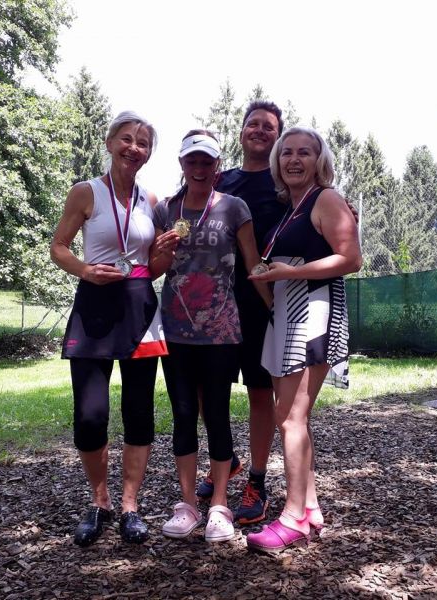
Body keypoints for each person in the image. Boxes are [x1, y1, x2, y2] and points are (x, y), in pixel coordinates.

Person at [50, 111, 166, 546]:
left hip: (139, 308)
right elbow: (58, 247)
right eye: (127, 139)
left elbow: (153, 266)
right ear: (110, 142)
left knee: (139, 411)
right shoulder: (86, 192)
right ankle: (99, 502)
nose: (134, 148)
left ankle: (130, 506)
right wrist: (85, 270)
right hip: (94, 306)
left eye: (143, 143)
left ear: (149, 153)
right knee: (90, 415)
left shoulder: (151, 200)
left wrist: (168, 252)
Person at [150, 130, 272, 543]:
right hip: (175, 329)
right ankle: (187, 505)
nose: (199, 168)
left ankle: (219, 506)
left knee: (217, 415)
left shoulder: (234, 208)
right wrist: (162, 251)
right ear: (181, 164)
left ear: (217, 166)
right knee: (184, 416)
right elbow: (153, 268)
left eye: (207, 162)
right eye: (192, 161)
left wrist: (275, 307)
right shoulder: (166, 209)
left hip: (221, 331)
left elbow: (253, 265)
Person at [245, 126, 361, 553]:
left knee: (291, 418)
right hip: (287, 313)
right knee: (293, 417)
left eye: (305, 152)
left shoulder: (325, 198)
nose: (294, 159)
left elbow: (351, 258)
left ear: (319, 160)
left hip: (313, 312)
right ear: (277, 162)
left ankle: (291, 518)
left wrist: (289, 272)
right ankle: (310, 507)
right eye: (287, 152)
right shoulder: (291, 208)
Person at [194, 101, 288, 526]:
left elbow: (316, 208)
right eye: (253, 124)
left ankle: (257, 480)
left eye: (269, 127)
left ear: (277, 136)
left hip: (260, 301)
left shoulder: (285, 181)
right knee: (203, 386)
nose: (260, 130)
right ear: (242, 132)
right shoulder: (223, 180)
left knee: (258, 391)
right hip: (213, 299)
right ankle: (227, 458)